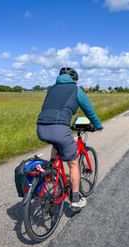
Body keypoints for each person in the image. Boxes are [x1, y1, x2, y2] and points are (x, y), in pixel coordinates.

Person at [37, 67, 103, 211]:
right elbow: (89, 111)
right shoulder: (76, 90)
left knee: (56, 143)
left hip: (41, 127)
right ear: (74, 79)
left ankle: (52, 172)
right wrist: (98, 125)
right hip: (60, 129)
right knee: (73, 164)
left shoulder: (51, 89)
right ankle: (75, 200)